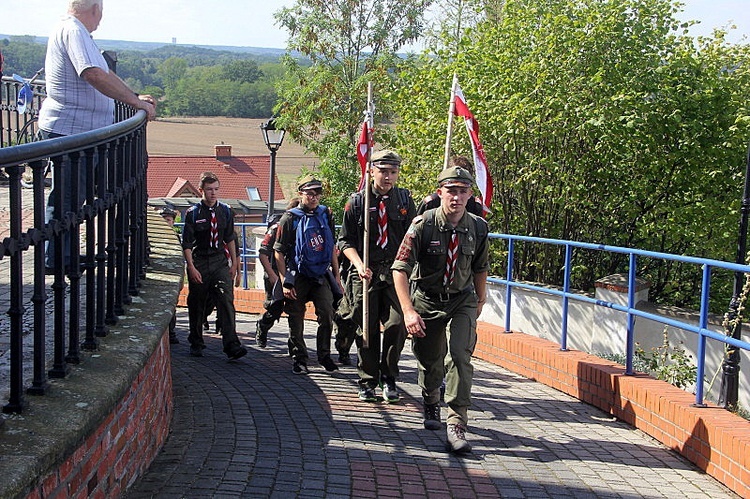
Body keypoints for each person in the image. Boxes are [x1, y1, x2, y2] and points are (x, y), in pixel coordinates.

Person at [39, 0, 156, 272]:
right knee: (66, 199)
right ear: (94, 9)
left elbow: (103, 74)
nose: (101, 19)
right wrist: (136, 103)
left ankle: (61, 255)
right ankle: (56, 259)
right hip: (70, 131)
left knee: (72, 198)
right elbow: (93, 74)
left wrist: (133, 98)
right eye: (101, 12)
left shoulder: (74, 31)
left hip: (75, 131)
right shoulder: (75, 31)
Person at [392, 165, 489, 454]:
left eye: (462, 191)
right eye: (451, 191)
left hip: (462, 299)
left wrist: (481, 301)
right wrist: (408, 311)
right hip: (427, 299)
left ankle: (457, 422)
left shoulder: (478, 227)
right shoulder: (423, 225)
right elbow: (400, 268)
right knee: (430, 359)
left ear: (470, 194)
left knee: (459, 355)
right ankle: (430, 396)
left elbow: (480, 267)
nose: (456, 198)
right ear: (440, 193)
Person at [338, 150, 416, 402]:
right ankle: (367, 380)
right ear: (372, 171)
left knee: (397, 324)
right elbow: (345, 241)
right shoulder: (357, 202)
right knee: (367, 328)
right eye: (383, 171)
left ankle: (389, 377)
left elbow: (412, 237)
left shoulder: (404, 201)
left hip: (394, 273)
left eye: (393, 172)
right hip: (366, 274)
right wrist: (359, 264)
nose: (388, 177)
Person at [274, 175, 341, 374]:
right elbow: (278, 251)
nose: (314, 198)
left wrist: (336, 276)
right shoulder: (290, 218)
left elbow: (331, 246)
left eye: (317, 193)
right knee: (296, 316)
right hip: (298, 274)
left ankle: (325, 356)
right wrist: (285, 281)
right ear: (300, 194)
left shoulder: (325, 214)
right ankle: (299, 358)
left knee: (327, 313)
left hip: (321, 273)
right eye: (310, 193)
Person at [181, 172, 247, 360]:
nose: (213, 193)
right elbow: (186, 244)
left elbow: (230, 238)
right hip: (200, 260)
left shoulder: (225, 211)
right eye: (209, 190)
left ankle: (232, 345)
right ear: (201, 191)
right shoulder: (193, 214)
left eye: (216, 189)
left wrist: (235, 264)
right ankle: (196, 341)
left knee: (226, 300)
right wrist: (191, 268)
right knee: (197, 302)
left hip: (219, 260)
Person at [255, 197, 301, 348]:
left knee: (295, 309)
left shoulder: (303, 227)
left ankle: (294, 345)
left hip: (293, 273)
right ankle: (262, 326)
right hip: (274, 271)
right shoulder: (277, 228)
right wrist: (273, 276)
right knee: (275, 308)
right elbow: (263, 253)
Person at [416, 156, 486, 218]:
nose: (457, 197)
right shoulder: (430, 204)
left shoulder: (474, 206)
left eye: (462, 190)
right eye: (452, 191)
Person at [159, 207, 180, 345]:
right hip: (161, 274)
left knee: (172, 304)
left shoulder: (176, 238)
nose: (167, 224)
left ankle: (171, 332)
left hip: (173, 274)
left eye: (169, 221)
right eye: (164, 221)